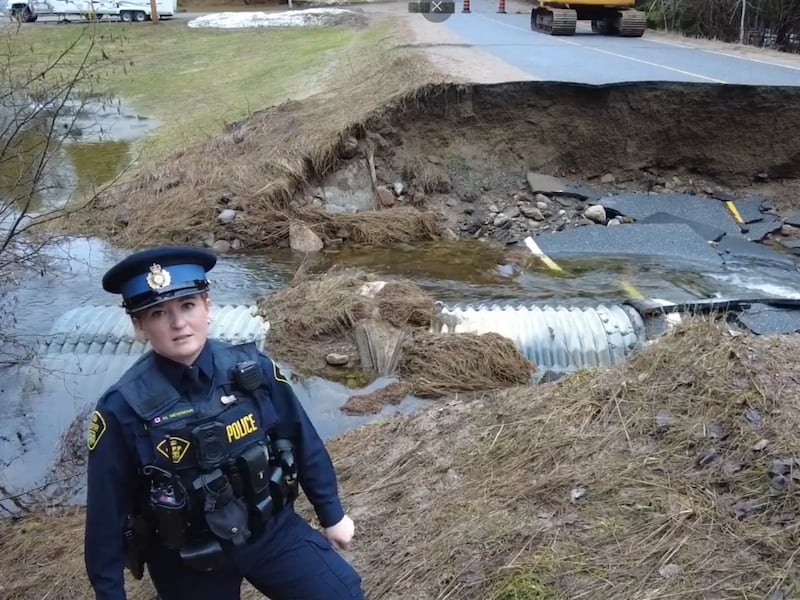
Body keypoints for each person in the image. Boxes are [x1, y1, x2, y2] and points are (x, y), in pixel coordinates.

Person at [83, 245, 364, 600]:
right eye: (158, 313)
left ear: (208, 306)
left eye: (187, 306)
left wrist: (332, 514)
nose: (178, 323)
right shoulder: (121, 409)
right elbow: (106, 515)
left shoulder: (252, 369)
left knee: (341, 594)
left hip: (270, 530)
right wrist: (110, 593)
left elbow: (300, 437)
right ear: (139, 325)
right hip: (187, 559)